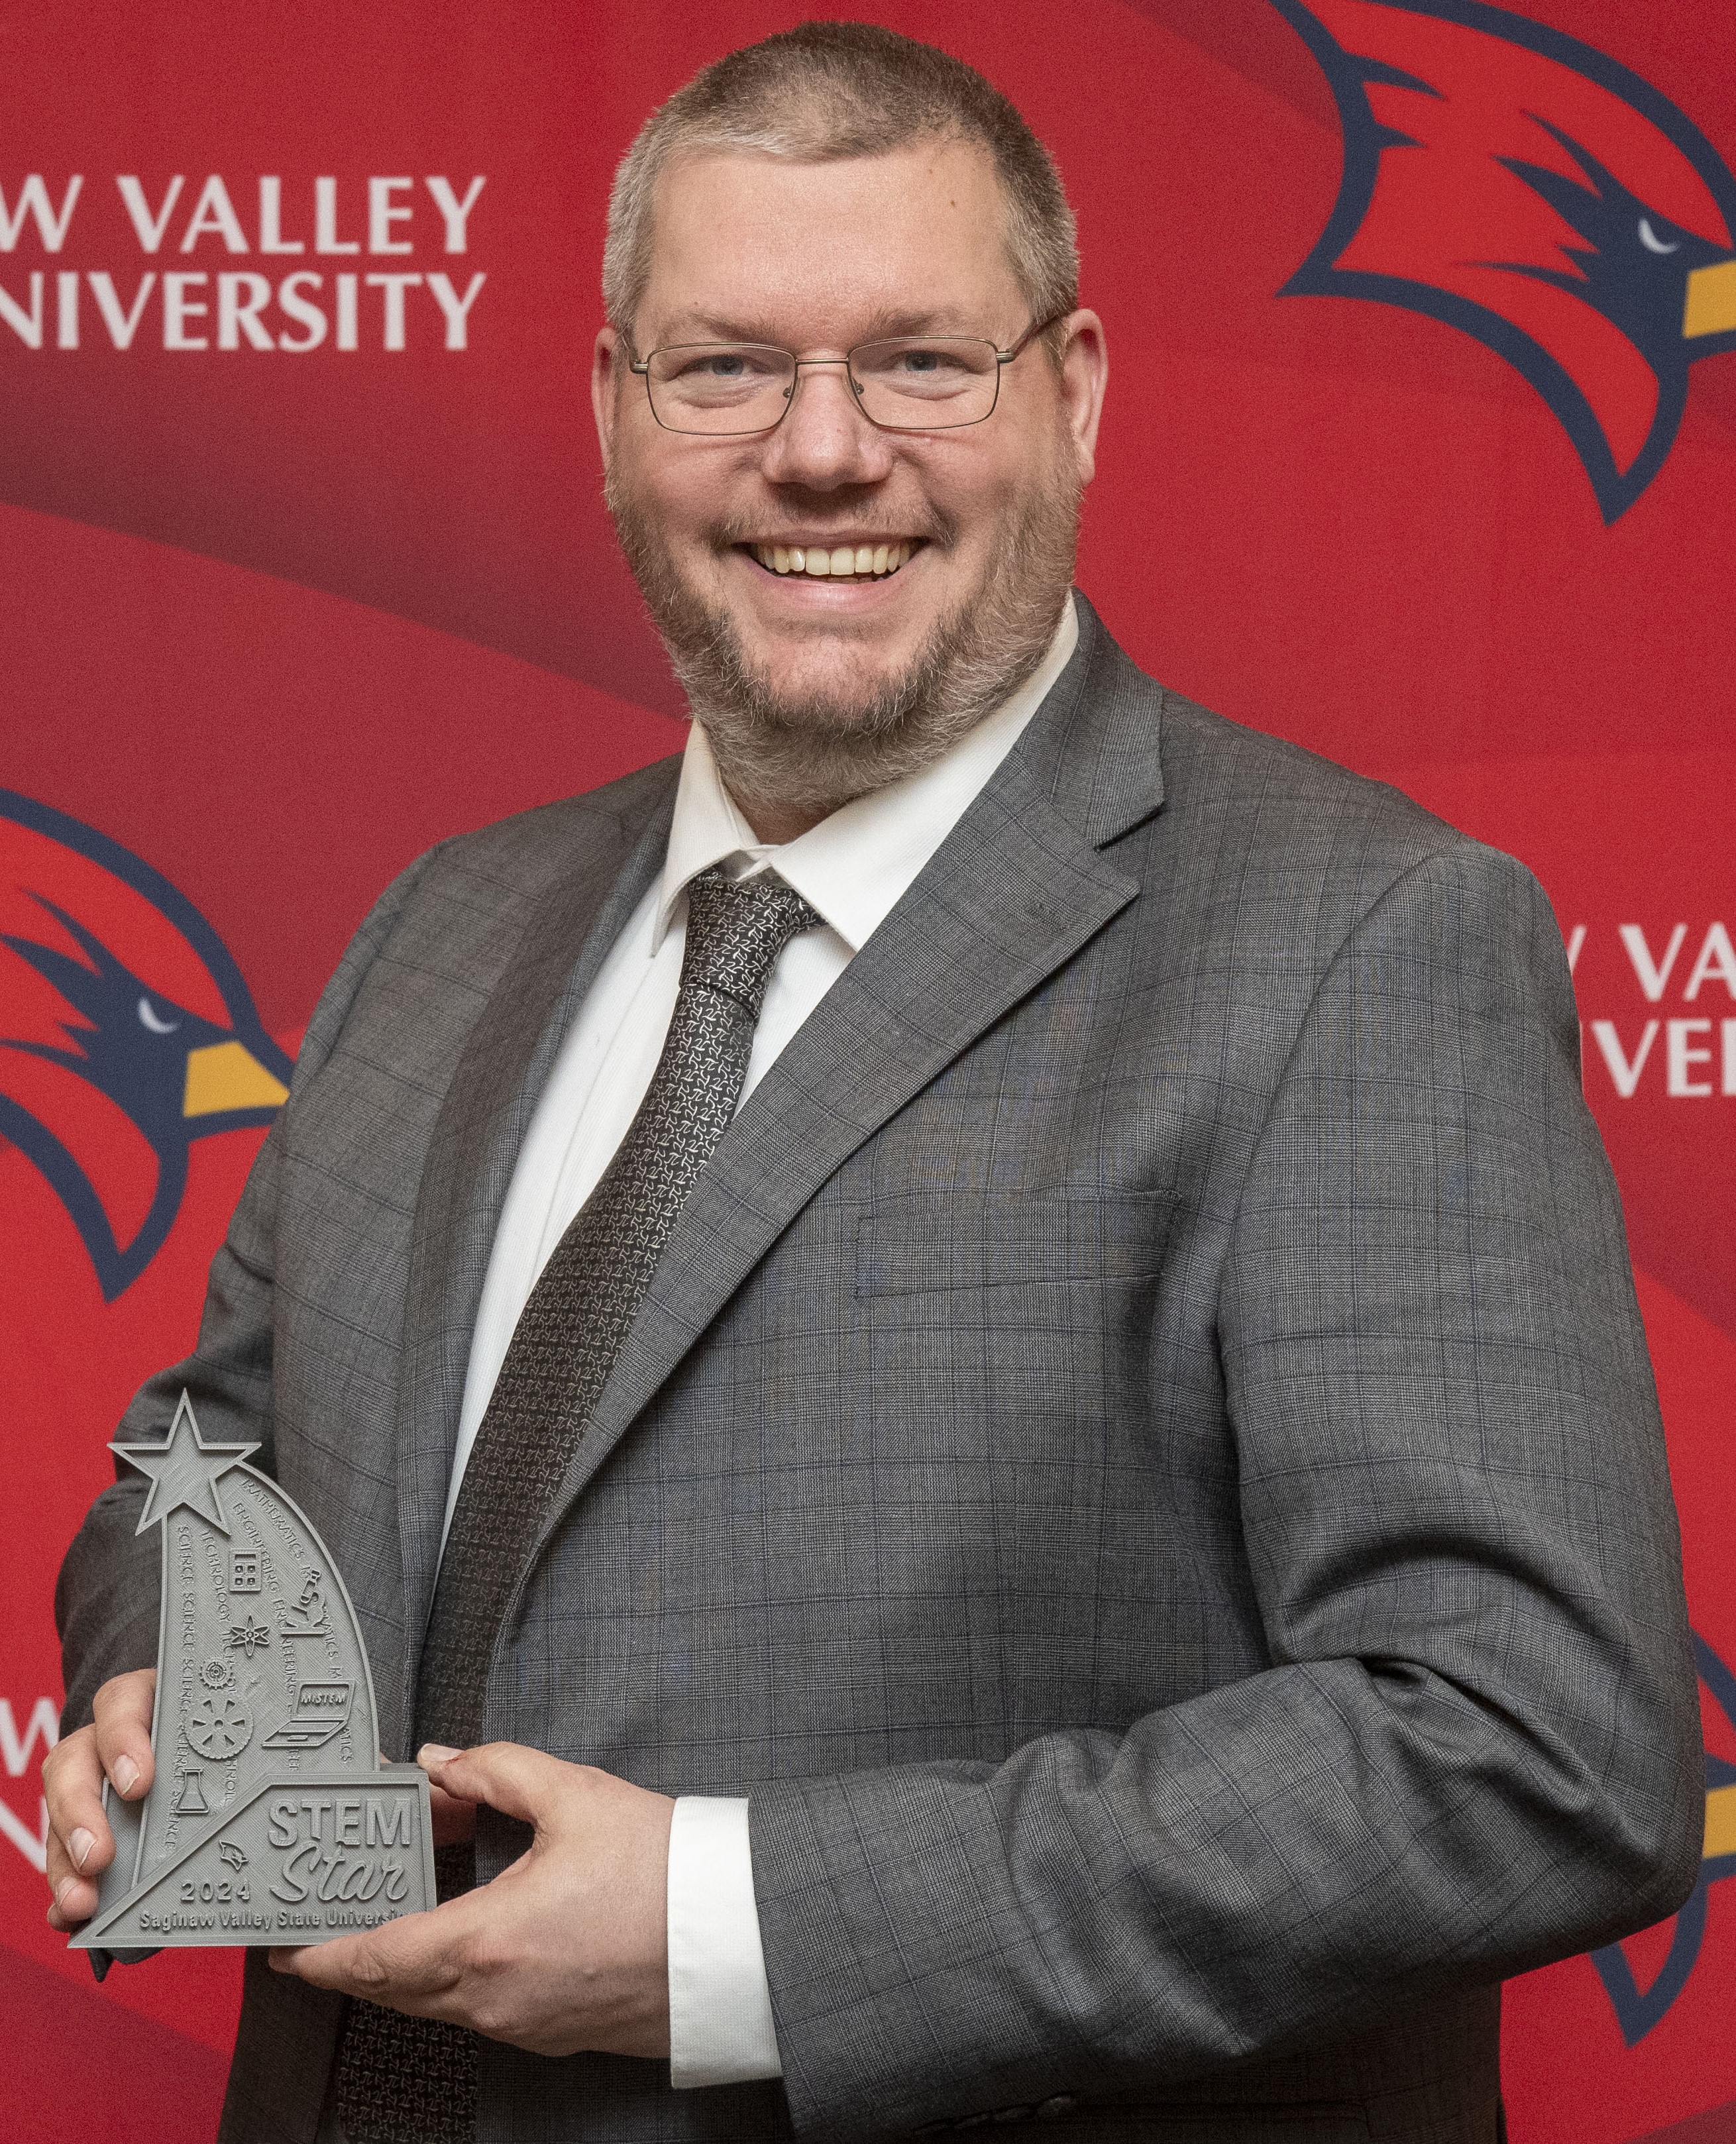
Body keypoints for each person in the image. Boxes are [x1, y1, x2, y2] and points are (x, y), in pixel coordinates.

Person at [44, 22, 1701, 2144]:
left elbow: (1529, 1747)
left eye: (921, 362)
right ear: (615, 409)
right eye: (725, 367)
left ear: (1071, 393)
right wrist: (168, 1675)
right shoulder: (445, 923)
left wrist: (731, 1930)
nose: (822, 453)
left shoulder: (1360, 941)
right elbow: (211, 1451)